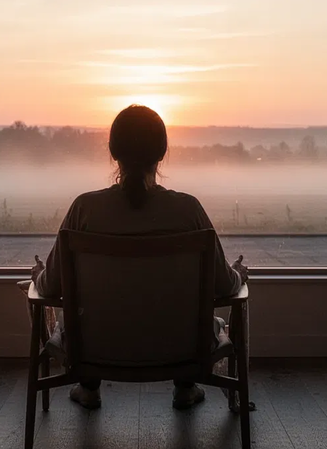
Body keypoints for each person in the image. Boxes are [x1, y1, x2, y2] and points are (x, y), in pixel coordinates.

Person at [31, 105, 249, 410]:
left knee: (85, 317)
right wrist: (238, 274)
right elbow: (226, 287)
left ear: (112, 150)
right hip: (179, 348)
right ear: (162, 152)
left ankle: (89, 387)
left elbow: (50, 286)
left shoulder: (84, 210)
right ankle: (186, 386)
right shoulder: (188, 210)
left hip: (96, 349)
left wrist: (37, 275)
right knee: (198, 318)